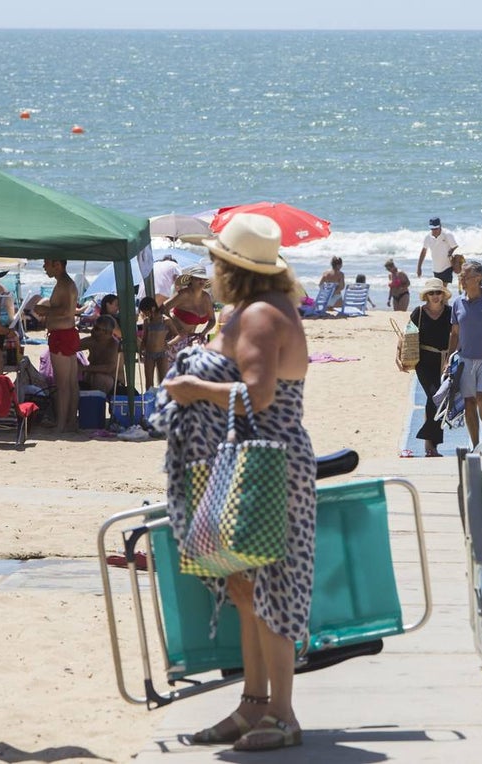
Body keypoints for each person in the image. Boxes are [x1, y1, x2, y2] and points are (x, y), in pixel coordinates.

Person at [154, 213, 315, 752]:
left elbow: (259, 396)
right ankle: (253, 705)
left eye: (216, 260)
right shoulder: (255, 311)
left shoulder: (263, 317)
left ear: (233, 268)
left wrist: (195, 388)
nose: (211, 267)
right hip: (250, 460)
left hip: (266, 463)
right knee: (246, 587)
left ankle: (282, 714)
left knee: (268, 587)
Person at [443, 260, 482, 447]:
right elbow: (455, 333)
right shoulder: (457, 302)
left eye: (464, 275)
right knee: (469, 402)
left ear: (478, 278)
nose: (460, 277)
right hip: (465, 359)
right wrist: (448, 359)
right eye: (460, 275)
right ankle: (476, 445)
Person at [399, 278, 452, 457]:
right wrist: (398, 357)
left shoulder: (451, 312)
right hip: (424, 362)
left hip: (445, 361)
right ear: (426, 296)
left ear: (443, 294)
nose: (435, 296)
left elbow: (458, 336)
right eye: (431, 293)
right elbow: (406, 336)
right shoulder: (419, 312)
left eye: (438, 292)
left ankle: (432, 445)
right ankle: (430, 444)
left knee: (438, 400)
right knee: (434, 395)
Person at [30, 260, 80, 431]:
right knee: (71, 382)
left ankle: (61, 424)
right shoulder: (66, 283)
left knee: (63, 384)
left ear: (57, 264)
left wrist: (45, 311)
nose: (44, 267)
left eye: (47, 263)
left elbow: (66, 311)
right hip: (67, 333)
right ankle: (71, 422)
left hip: (62, 336)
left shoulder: (65, 284)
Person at [165, 264, 216, 342]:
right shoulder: (183, 294)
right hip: (172, 340)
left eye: (203, 278)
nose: (201, 280)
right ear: (191, 279)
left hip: (190, 340)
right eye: (198, 278)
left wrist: (203, 333)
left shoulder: (206, 297)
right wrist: (178, 328)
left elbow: (212, 320)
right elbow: (163, 309)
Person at [80, 315, 121, 394]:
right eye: (93, 327)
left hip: (113, 382)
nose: (92, 331)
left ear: (107, 333)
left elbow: (109, 368)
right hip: (93, 376)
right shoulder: (93, 341)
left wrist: (84, 368)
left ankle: (96, 404)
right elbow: (71, 348)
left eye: (96, 329)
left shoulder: (114, 345)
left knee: (99, 379)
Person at [139, 296, 173, 388]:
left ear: (153, 308)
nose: (145, 314)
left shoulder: (165, 320)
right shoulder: (147, 321)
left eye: (146, 312)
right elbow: (144, 338)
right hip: (149, 354)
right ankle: (150, 398)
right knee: (149, 381)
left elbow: (177, 334)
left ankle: (163, 400)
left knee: (163, 381)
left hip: (162, 354)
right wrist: (141, 351)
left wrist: (170, 343)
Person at [417, 217, 458, 284]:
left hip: (447, 267)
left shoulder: (447, 234)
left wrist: (452, 252)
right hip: (436, 268)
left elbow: (456, 247)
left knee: (443, 289)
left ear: (440, 226)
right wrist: (419, 267)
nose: (434, 231)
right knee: (439, 290)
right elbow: (423, 252)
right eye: (432, 229)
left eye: (436, 228)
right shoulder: (428, 237)